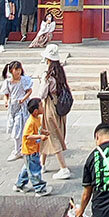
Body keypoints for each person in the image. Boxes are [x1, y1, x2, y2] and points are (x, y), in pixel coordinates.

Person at [39, 45, 72, 179]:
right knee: (47, 133)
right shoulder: (60, 72)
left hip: (50, 105)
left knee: (52, 135)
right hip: (60, 105)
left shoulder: (47, 75)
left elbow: (42, 93)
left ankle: (63, 168)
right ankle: (41, 164)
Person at [13, 98, 49, 195]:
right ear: (36, 111)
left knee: (27, 168)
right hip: (29, 151)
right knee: (35, 170)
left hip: (34, 149)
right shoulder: (30, 122)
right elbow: (28, 136)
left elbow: (38, 129)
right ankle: (39, 188)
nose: (43, 107)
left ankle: (19, 184)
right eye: (41, 106)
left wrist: (43, 132)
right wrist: (40, 136)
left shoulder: (37, 119)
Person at [0, 61, 34, 161]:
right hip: (13, 106)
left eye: (19, 69)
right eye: (16, 70)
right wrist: (6, 101)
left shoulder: (24, 80)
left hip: (23, 106)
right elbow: (6, 94)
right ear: (11, 70)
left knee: (19, 127)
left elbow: (29, 91)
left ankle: (18, 149)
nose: (18, 72)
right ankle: (19, 148)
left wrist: (23, 99)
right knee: (15, 126)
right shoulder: (8, 82)